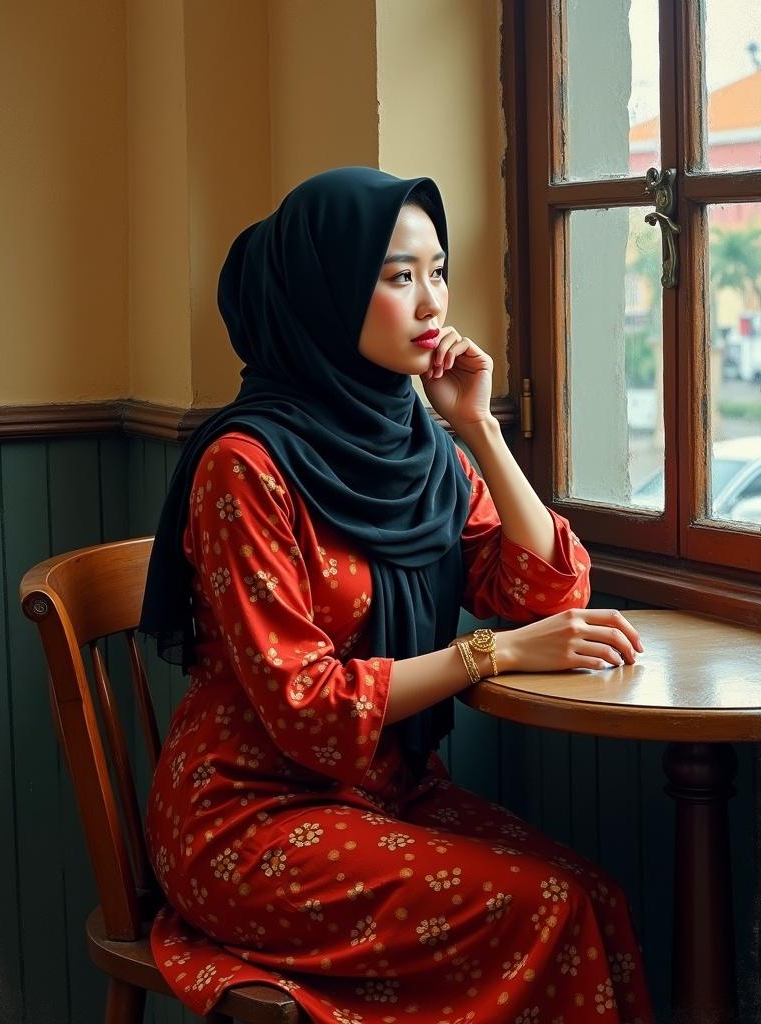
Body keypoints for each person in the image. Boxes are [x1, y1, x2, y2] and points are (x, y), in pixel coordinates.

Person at [141, 167, 653, 1023]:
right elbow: (306, 705)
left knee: (595, 895)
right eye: (397, 276)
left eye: (439, 271)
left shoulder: (421, 446)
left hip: (385, 793)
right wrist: (488, 653)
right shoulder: (245, 464)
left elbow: (540, 587)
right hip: (247, 818)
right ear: (326, 291)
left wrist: (478, 429)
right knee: (544, 908)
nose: (432, 304)